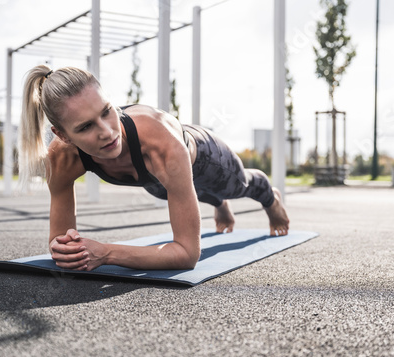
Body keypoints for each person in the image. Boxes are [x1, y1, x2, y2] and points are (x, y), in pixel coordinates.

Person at [19, 65, 289, 272]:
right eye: (85, 127)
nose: (107, 131)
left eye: (106, 111)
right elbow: (62, 242)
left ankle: (270, 198)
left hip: (205, 156)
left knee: (237, 186)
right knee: (167, 190)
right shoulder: (61, 158)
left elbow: (187, 254)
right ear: (62, 135)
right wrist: (68, 250)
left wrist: (106, 253)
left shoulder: (160, 144)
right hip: (156, 180)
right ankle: (219, 204)